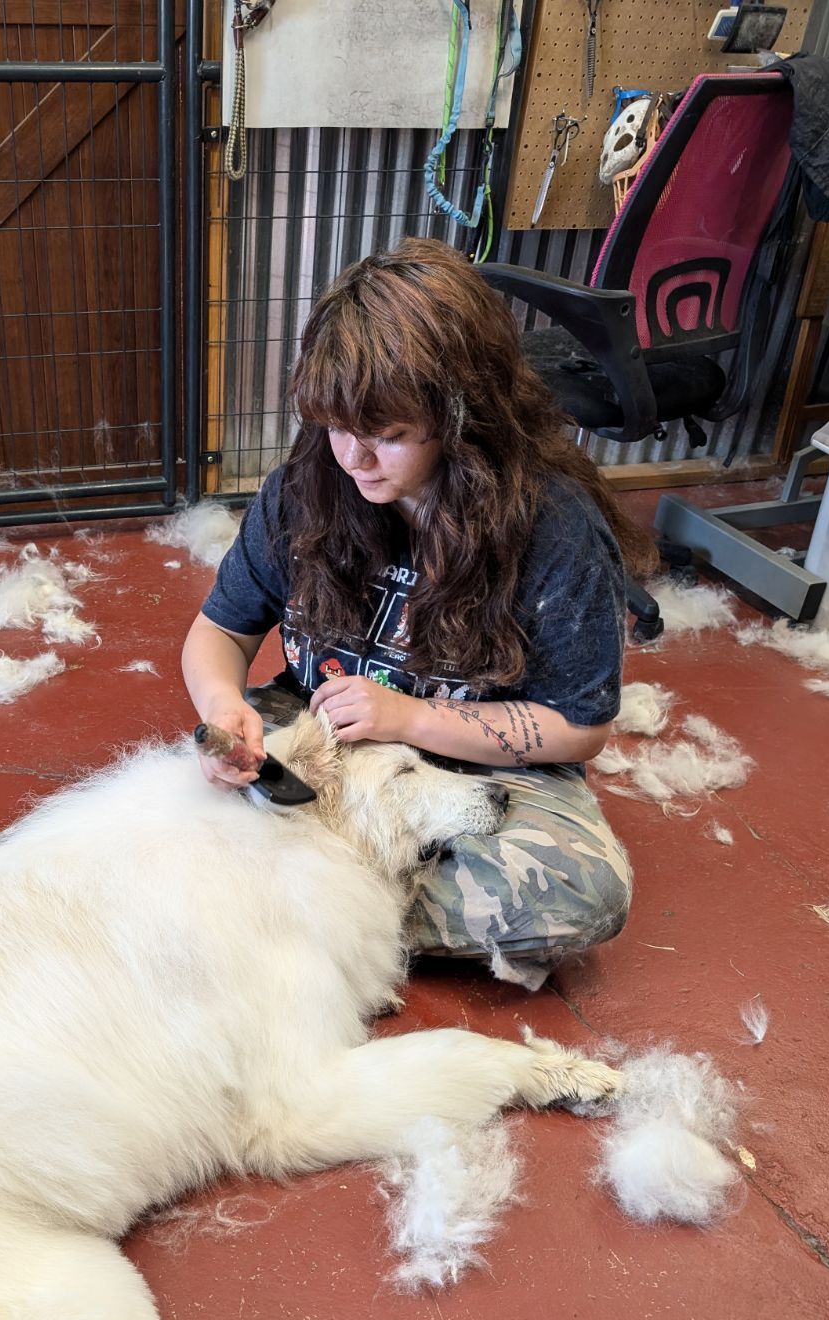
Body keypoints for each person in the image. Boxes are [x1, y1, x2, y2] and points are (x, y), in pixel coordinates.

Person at [183, 237, 656, 989]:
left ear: (460, 416)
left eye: (389, 436)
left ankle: (266, 913)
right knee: (182, 801)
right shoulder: (305, 487)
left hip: (483, 756)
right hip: (325, 735)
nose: (354, 458)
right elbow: (220, 632)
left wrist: (407, 718)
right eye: (337, 427)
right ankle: (287, 906)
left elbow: (581, 726)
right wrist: (221, 712)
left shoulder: (553, 527)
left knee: (580, 892)